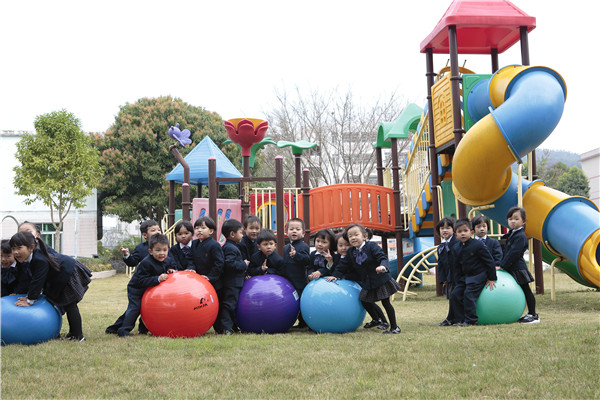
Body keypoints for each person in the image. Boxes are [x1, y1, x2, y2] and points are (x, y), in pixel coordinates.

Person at [10, 231, 91, 341]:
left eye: (19, 248)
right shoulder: (26, 257)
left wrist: (30, 300)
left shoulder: (39, 259)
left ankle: (78, 336)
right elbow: (27, 277)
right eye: (13, 248)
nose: (15, 252)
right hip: (60, 277)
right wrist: (25, 294)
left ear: (31, 247)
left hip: (69, 273)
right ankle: (73, 334)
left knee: (70, 305)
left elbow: (38, 280)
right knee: (66, 305)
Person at [330, 224, 402, 334]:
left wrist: (383, 266)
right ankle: (376, 319)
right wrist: (335, 275)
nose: (353, 238)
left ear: (364, 236)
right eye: (350, 236)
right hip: (368, 282)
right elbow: (343, 265)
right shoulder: (351, 252)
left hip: (381, 279)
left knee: (386, 303)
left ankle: (394, 327)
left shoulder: (372, 246)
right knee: (364, 300)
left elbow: (382, 257)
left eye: (356, 235)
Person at [106, 234, 176, 337]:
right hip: (137, 289)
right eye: (158, 250)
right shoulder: (146, 263)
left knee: (147, 309)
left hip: (150, 290)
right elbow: (140, 280)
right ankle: (123, 331)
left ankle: (135, 329)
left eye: (164, 250)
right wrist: (157, 279)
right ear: (150, 251)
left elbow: (170, 266)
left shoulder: (167, 259)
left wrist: (171, 270)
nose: (162, 253)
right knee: (135, 309)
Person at [449, 219, 497, 326]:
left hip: (478, 276)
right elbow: (456, 267)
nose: (462, 233)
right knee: (455, 294)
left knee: (468, 295)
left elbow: (489, 261)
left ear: (471, 232)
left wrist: (491, 278)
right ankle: (460, 319)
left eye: (465, 231)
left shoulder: (478, 245)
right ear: (455, 235)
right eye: (459, 231)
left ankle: (471, 320)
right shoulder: (456, 247)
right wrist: (457, 282)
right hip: (465, 277)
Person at [499, 206, 539, 324]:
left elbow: (514, 253)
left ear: (523, 221)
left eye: (516, 219)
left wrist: (502, 266)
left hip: (518, 268)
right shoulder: (512, 234)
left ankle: (533, 314)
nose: (512, 221)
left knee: (526, 290)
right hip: (511, 267)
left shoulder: (520, 236)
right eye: (510, 219)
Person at [214, 219, 249, 335]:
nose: (242, 235)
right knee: (229, 305)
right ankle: (226, 328)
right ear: (232, 234)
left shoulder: (232, 246)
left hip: (234, 283)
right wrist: (244, 264)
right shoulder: (230, 248)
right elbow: (230, 264)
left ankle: (232, 326)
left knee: (232, 305)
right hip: (231, 283)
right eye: (240, 232)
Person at [282, 218, 310, 328]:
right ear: (286, 232)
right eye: (291, 229)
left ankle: (303, 322)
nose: (294, 231)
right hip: (287, 280)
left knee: (301, 302)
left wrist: (296, 255)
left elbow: (307, 260)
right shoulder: (285, 247)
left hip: (299, 280)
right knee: (290, 302)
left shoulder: (303, 246)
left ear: (303, 233)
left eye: (297, 229)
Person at [435, 216, 459, 326]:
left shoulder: (457, 243)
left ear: (453, 229)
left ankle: (454, 317)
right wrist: (442, 278)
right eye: (442, 228)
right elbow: (441, 264)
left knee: (455, 296)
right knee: (450, 297)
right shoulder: (441, 246)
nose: (444, 230)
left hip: (457, 275)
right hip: (448, 277)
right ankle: (451, 317)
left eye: (448, 228)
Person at [190, 216, 224, 291]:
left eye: (203, 228)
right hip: (198, 279)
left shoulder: (214, 245)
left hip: (213, 281)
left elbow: (219, 263)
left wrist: (210, 277)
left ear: (211, 231)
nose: (199, 230)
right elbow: (190, 258)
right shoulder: (194, 243)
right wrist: (191, 268)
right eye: (197, 228)